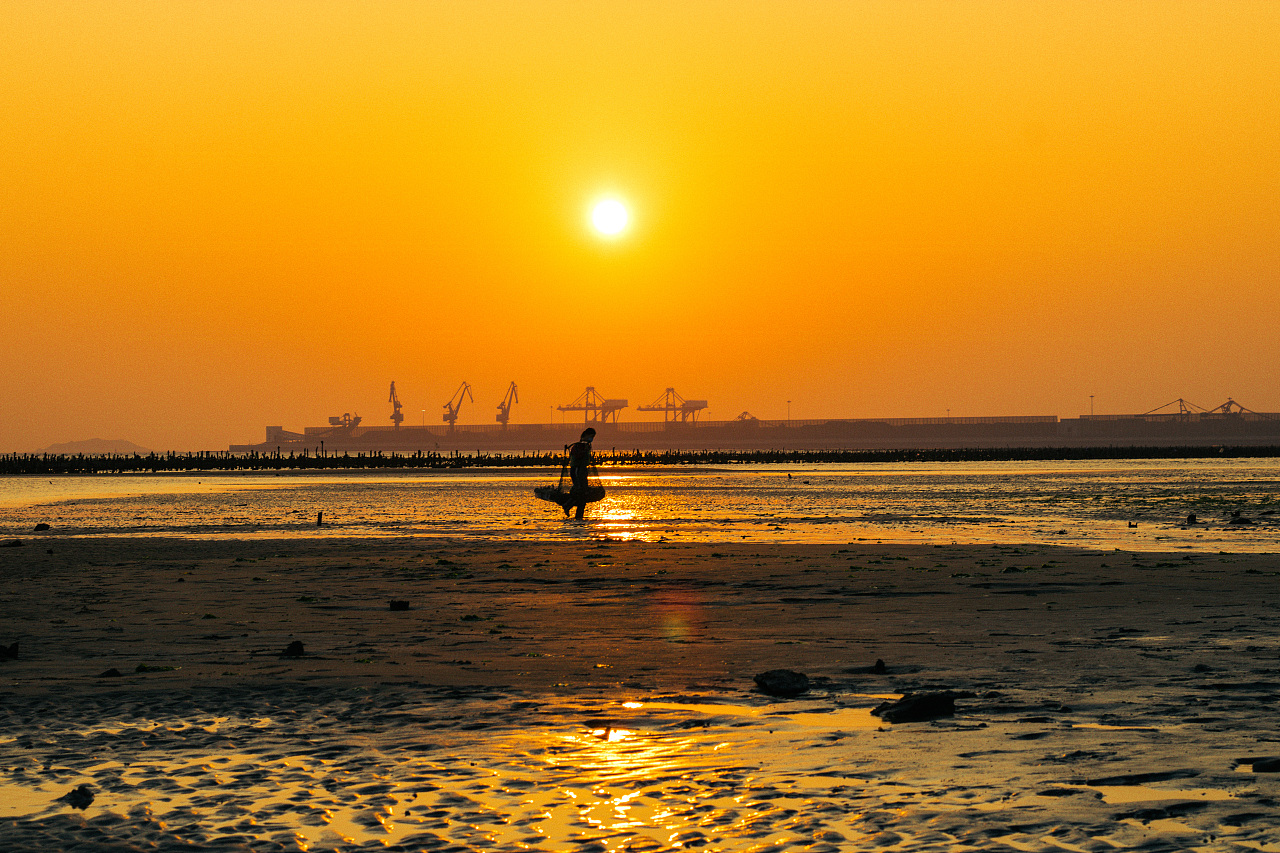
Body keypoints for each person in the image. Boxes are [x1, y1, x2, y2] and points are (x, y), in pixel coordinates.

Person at [565, 427, 596, 520]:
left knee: (583, 492)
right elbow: (577, 456)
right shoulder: (577, 446)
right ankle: (567, 505)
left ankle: (579, 517)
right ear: (585, 436)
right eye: (591, 436)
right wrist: (584, 451)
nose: (592, 439)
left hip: (583, 470)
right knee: (579, 490)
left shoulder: (586, 445)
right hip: (577, 470)